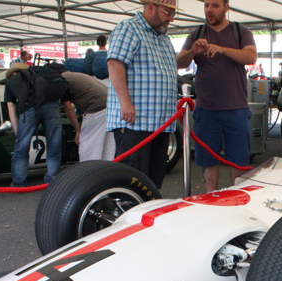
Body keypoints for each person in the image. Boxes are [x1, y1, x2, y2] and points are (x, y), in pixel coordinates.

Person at [177, 0, 257, 192]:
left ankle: (237, 208)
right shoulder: (196, 34)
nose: (209, 10)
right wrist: (192, 51)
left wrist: (222, 49)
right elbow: (178, 62)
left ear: (226, 7)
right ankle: (211, 208)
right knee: (208, 165)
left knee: (238, 165)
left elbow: (251, 57)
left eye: (215, 5)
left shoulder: (241, 31)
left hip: (236, 109)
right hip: (206, 110)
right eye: (206, 6)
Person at [106, 0, 178, 189]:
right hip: (135, 124)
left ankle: (147, 216)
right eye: (167, 13)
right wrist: (125, 102)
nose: (171, 18)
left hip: (160, 125)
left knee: (153, 181)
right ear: (150, 7)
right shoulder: (129, 28)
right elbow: (114, 63)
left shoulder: (163, 37)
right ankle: (128, 217)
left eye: (173, 14)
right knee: (132, 180)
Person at [4, 63, 63, 187]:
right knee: (54, 144)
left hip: (28, 109)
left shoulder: (11, 82)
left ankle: (19, 182)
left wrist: (17, 133)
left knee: (22, 148)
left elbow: (11, 109)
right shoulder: (40, 75)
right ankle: (51, 181)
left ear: (14, 73)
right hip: (52, 106)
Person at [48, 64, 115, 162]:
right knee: (107, 147)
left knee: (87, 146)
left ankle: (88, 173)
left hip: (96, 108)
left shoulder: (61, 80)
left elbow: (68, 108)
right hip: (112, 105)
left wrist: (78, 130)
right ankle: (108, 172)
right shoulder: (76, 75)